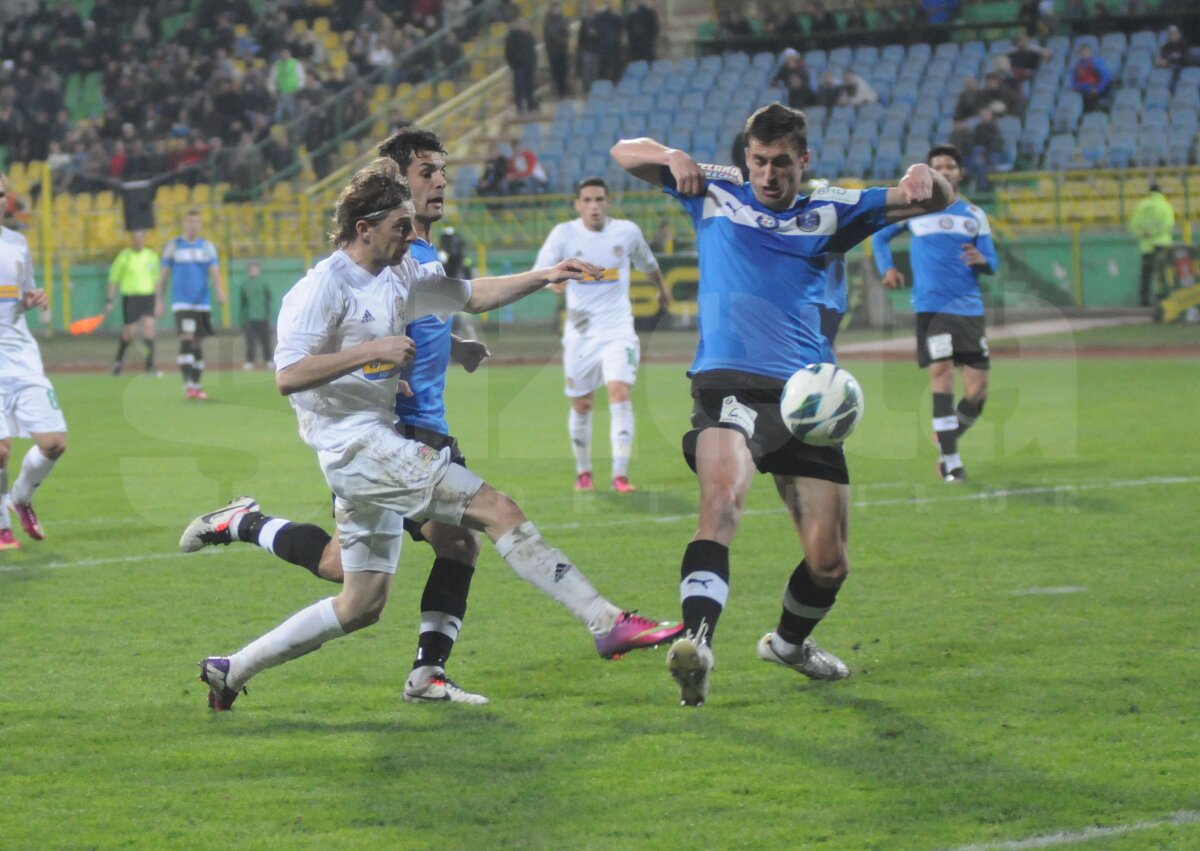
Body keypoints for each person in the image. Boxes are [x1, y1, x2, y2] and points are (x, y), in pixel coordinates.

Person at [196, 161, 682, 712]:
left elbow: (469, 295)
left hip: (372, 443)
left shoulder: (398, 274)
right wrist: (370, 354)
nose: (411, 237)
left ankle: (231, 669)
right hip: (358, 449)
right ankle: (604, 620)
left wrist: (546, 275)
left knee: (360, 604)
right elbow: (287, 376)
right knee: (496, 510)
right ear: (365, 229)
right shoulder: (322, 287)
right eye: (401, 227)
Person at [611, 103, 953, 706]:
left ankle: (789, 644)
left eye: (783, 164)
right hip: (727, 382)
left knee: (829, 563)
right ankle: (697, 644)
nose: (770, 175)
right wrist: (670, 155)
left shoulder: (833, 210)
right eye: (760, 161)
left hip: (806, 399)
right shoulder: (715, 190)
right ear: (747, 157)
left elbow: (933, 198)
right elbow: (623, 151)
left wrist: (927, 171)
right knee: (721, 504)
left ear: (805, 161)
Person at [534, 177, 669, 494]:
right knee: (582, 404)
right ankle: (584, 472)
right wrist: (553, 281)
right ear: (577, 204)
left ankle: (620, 475)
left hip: (618, 329)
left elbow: (649, 264)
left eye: (599, 199)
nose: (594, 206)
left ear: (608, 202)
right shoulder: (564, 235)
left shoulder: (627, 232)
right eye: (588, 200)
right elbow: (542, 271)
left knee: (620, 393)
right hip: (581, 335)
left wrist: (662, 290)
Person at [872, 144, 998, 483]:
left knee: (979, 391)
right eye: (937, 166)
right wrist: (887, 268)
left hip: (969, 308)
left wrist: (982, 261)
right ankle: (951, 461)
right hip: (932, 308)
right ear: (929, 173)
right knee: (942, 377)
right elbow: (879, 239)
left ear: (960, 173)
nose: (944, 171)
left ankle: (946, 437)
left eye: (950, 166)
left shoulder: (974, 215)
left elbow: (992, 262)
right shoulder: (915, 209)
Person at [0, 173, 67, 550]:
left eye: (0, 194)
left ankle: (20, 497)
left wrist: (33, 299)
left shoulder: (16, 244)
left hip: (20, 355)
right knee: (0, 449)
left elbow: (20, 296)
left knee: (54, 442)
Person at [155, 209, 227, 401]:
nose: (192, 225)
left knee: (197, 342)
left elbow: (215, 271)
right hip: (182, 303)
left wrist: (220, 291)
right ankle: (188, 385)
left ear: (200, 224)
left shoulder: (207, 247)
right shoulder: (174, 246)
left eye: (196, 221)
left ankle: (195, 385)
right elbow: (163, 276)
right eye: (189, 221)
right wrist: (159, 300)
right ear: (184, 224)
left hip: (202, 304)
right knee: (186, 338)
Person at [104, 229, 161, 376]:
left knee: (149, 328)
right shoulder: (124, 256)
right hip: (130, 297)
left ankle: (150, 365)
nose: (138, 240)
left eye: (141, 237)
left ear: (144, 238)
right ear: (131, 239)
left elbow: (156, 280)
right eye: (135, 237)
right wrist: (109, 299)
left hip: (148, 296)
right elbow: (114, 279)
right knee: (129, 332)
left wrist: (158, 301)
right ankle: (118, 362)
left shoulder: (151, 256)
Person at [1129, 182, 1175, 307]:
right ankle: (1163, 299)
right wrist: (1155, 233)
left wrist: (1145, 233)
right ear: (1160, 192)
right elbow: (1168, 225)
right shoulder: (1165, 205)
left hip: (1146, 246)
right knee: (1162, 273)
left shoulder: (1141, 206)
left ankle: (1144, 301)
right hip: (1163, 244)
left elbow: (1134, 225)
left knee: (1146, 274)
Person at [240, 261, 273, 370]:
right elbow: (242, 302)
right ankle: (250, 361)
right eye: (251, 269)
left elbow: (268, 299)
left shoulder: (264, 282)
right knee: (250, 341)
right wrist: (243, 319)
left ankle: (268, 360)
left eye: (255, 268)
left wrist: (267, 314)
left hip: (262, 317)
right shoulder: (245, 284)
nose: (253, 271)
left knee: (266, 340)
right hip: (250, 317)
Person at [504, 18, 537, 114]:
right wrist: (513, 64)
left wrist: (534, 64)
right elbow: (508, 52)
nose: (525, 26)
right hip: (518, 66)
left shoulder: (530, 36)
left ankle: (532, 106)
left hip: (529, 66)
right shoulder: (512, 36)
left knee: (530, 87)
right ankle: (520, 108)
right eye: (522, 24)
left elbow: (533, 52)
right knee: (519, 88)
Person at [1070, 45, 1113, 113]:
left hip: (1095, 89)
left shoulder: (1096, 62)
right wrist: (1076, 87)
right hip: (1083, 91)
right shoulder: (1077, 65)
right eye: (1082, 52)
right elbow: (1074, 80)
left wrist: (1098, 89)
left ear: (1090, 52)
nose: (1084, 54)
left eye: (1086, 52)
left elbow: (1106, 77)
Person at [543, 1, 571, 97]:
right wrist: (563, 40)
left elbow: (567, 31)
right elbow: (552, 35)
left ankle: (564, 92)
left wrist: (566, 38)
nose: (558, 10)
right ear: (552, 9)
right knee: (556, 72)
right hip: (554, 51)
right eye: (556, 8)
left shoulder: (562, 19)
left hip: (563, 50)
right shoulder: (549, 20)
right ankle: (559, 92)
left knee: (564, 72)